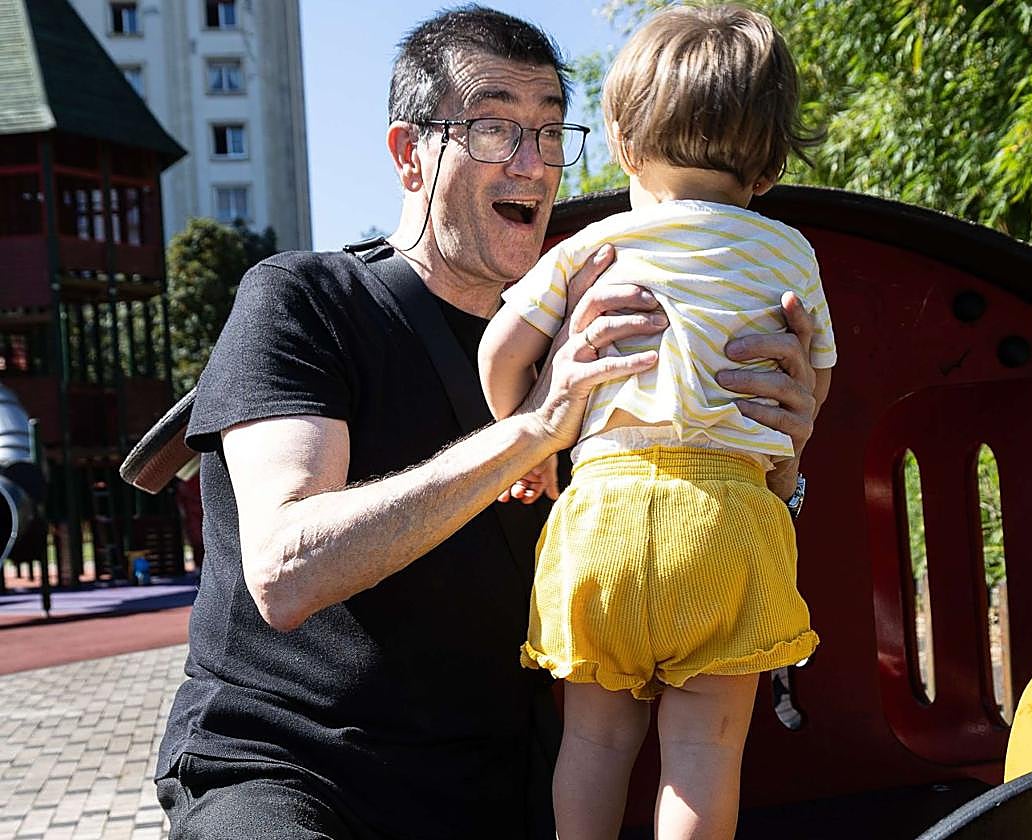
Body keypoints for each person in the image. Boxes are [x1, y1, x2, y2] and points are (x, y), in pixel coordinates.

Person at [153, 5, 822, 839]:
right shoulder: (304, 298)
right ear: (409, 154)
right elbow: (285, 572)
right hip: (301, 771)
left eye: (550, 133)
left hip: (497, 784)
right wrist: (534, 428)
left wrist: (783, 464)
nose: (534, 164)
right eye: (494, 128)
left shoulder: (613, 294)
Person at [478, 5, 835, 837]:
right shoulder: (789, 255)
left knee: (595, 744)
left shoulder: (591, 248)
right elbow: (812, 380)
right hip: (727, 525)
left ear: (621, 138)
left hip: (600, 517)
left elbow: (501, 352)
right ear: (771, 163)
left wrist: (529, 448)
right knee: (704, 753)